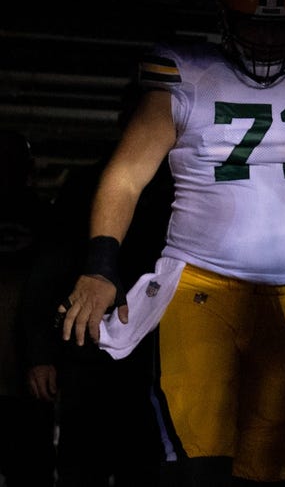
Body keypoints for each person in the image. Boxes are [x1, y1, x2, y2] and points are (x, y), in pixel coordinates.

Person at [57, 0, 285, 486]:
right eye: (253, 25)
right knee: (195, 462)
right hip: (198, 291)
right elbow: (125, 176)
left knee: (271, 467)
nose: (268, 39)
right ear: (225, 18)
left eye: (283, 27)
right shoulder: (186, 73)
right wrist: (100, 265)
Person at [23, 81, 172, 487]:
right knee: (81, 464)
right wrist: (41, 353)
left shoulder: (188, 191)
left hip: (162, 360)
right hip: (90, 350)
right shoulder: (87, 186)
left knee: (148, 465)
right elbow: (49, 271)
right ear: (127, 122)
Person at [0, 129, 57, 487]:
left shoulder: (47, 222)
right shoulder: (46, 221)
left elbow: (50, 292)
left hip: (26, 371)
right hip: (28, 368)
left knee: (30, 467)